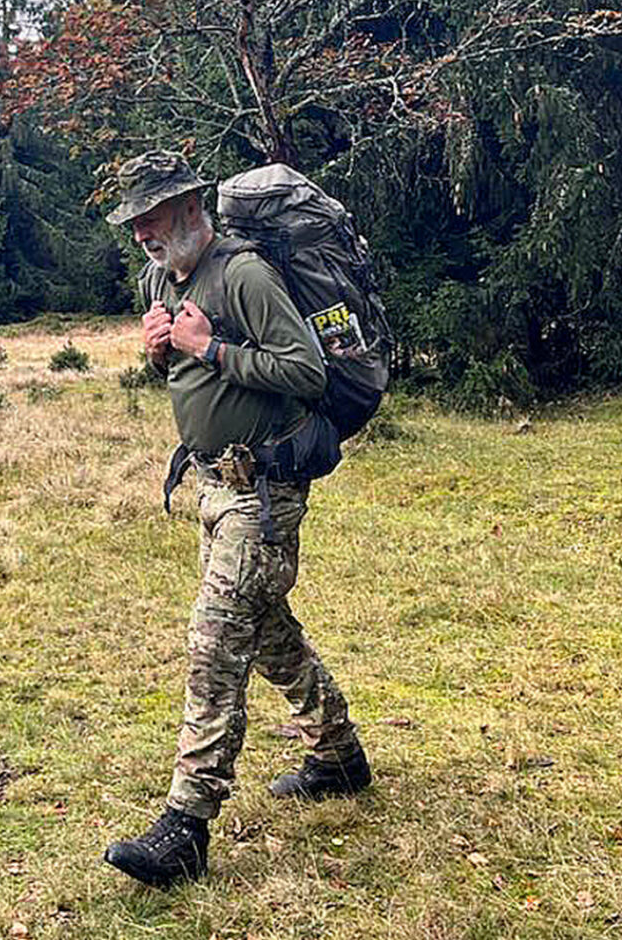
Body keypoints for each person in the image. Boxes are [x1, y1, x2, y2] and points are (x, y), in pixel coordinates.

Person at [103, 150, 370, 889]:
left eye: (151, 220)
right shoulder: (161, 276)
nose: (143, 238)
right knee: (268, 637)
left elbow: (305, 372)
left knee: (216, 642)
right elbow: (184, 371)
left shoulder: (244, 274)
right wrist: (161, 354)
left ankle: (186, 826)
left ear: (190, 209)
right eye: (135, 226)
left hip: (265, 491)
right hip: (212, 489)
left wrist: (207, 346)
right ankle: (340, 756)